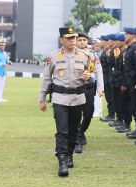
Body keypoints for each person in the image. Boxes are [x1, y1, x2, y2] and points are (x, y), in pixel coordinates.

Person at [39, 27, 91, 177]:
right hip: (59, 98)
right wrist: (42, 98)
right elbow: (47, 79)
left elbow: (91, 74)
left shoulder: (85, 56)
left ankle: (69, 155)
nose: (72, 41)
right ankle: (62, 161)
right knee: (62, 130)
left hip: (78, 98)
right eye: (69, 38)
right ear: (61, 39)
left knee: (74, 130)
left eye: (74, 38)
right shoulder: (53, 57)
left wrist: (89, 77)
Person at [74, 32, 104, 154]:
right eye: (79, 40)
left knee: (88, 113)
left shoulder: (92, 55)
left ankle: (81, 132)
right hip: (75, 87)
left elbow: (98, 71)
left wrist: (100, 88)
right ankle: (77, 138)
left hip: (89, 86)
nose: (82, 42)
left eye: (84, 40)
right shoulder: (70, 54)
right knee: (76, 113)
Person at [115, 34, 132, 133]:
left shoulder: (125, 52)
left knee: (126, 104)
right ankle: (124, 122)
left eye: (118, 41)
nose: (116, 43)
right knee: (122, 102)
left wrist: (124, 84)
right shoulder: (121, 52)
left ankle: (127, 124)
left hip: (124, 82)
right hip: (120, 80)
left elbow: (126, 70)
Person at [100, 34, 116, 122]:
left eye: (102, 41)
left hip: (109, 75)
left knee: (110, 96)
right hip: (105, 75)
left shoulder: (109, 51)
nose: (100, 42)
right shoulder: (105, 51)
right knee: (108, 95)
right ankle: (111, 114)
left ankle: (112, 115)